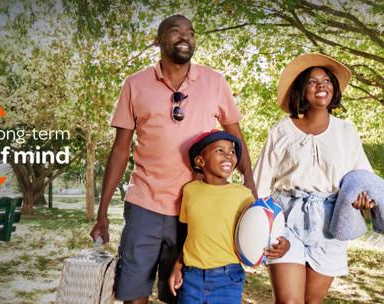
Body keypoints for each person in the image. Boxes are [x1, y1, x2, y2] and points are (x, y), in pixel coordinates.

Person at [90, 14, 257, 304]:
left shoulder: (215, 82)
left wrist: (250, 181)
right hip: (145, 202)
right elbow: (120, 150)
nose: (185, 37)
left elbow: (236, 137)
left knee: (178, 293)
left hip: (195, 207)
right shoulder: (135, 84)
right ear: (158, 40)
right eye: (175, 31)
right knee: (133, 290)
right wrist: (102, 211)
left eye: (190, 33)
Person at [253, 53, 375, 303]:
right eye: (312, 81)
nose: (322, 85)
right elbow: (260, 182)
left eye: (327, 80)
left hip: (329, 223)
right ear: (301, 90)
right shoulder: (282, 130)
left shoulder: (346, 130)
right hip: (285, 219)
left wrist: (365, 200)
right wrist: (265, 227)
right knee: (288, 301)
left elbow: (362, 177)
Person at [168, 130, 289, 304]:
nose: (229, 156)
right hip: (191, 277)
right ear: (200, 161)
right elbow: (190, 235)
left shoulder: (243, 195)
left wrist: (282, 244)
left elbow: (261, 229)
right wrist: (178, 266)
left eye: (232, 151)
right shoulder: (190, 190)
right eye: (220, 151)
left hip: (228, 278)